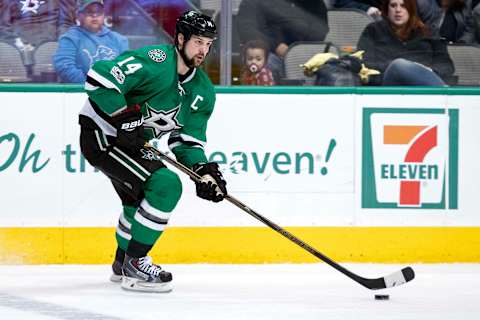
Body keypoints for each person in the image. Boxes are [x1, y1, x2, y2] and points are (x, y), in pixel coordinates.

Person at [78, 10, 227, 293]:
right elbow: (99, 77)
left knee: (139, 200)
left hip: (135, 143)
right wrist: (122, 116)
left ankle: (123, 262)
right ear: (180, 38)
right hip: (102, 134)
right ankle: (136, 263)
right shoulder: (157, 61)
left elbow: (186, 141)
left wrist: (202, 171)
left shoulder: (203, 91)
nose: (203, 50)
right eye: (198, 42)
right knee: (165, 184)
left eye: (209, 44)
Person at [357, 0, 455, 85]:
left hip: (423, 90)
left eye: (403, 6)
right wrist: (403, 67)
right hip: (387, 87)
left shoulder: (429, 32)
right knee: (398, 65)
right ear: (387, 9)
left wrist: (427, 71)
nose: (398, 10)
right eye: (393, 5)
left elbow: (447, 66)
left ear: (411, 9)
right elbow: (364, 64)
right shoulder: (373, 30)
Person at [236, 0, 329, 81]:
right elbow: (247, 30)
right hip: (270, 54)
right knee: (262, 64)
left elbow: (321, 30)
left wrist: (296, 50)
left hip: (304, 55)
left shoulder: (313, 2)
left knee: (330, 67)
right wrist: (276, 46)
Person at [53, 0, 129, 83]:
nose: (94, 16)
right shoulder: (70, 38)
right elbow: (64, 67)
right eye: (89, 12)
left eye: (98, 12)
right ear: (78, 15)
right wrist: (91, 85)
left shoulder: (119, 39)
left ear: (104, 15)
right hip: (81, 91)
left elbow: (126, 68)